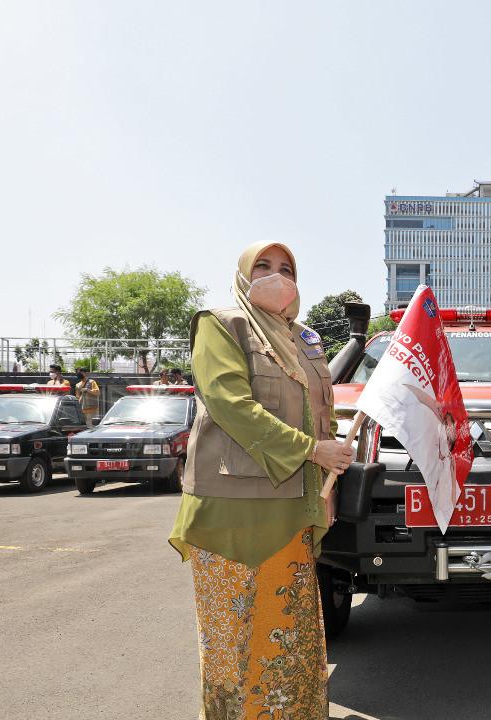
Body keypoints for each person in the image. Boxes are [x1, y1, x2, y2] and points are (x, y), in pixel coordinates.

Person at [169, 241, 354, 719]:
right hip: (231, 511)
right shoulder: (220, 323)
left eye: (286, 268)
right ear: (243, 276)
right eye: (264, 267)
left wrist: (325, 469)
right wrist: (313, 449)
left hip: (293, 508)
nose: (277, 276)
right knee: (234, 646)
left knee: (290, 643)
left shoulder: (306, 339)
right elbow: (230, 404)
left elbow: (320, 413)